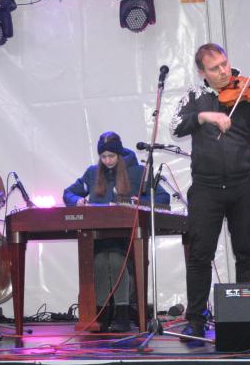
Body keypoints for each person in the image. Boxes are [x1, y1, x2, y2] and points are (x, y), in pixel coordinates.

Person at [170, 43, 250, 344]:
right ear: (202, 73)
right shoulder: (194, 97)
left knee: (247, 253)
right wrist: (204, 116)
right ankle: (196, 320)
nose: (224, 72)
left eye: (225, 64)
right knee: (200, 255)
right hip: (206, 188)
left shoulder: (248, 95)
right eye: (215, 69)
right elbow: (175, 126)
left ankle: (248, 319)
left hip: (244, 185)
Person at [63, 132, 170, 332]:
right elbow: (68, 192)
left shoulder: (138, 172)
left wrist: (142, 202)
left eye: (111, 156)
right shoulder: (92, 173)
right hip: (99, 237)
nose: (107, 160)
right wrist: (77, 201)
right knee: (99, 261)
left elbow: (163, 198)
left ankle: (122, 315)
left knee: (114, 260)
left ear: (119, 154)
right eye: (103, 157)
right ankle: (102, 315)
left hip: (127, 238)